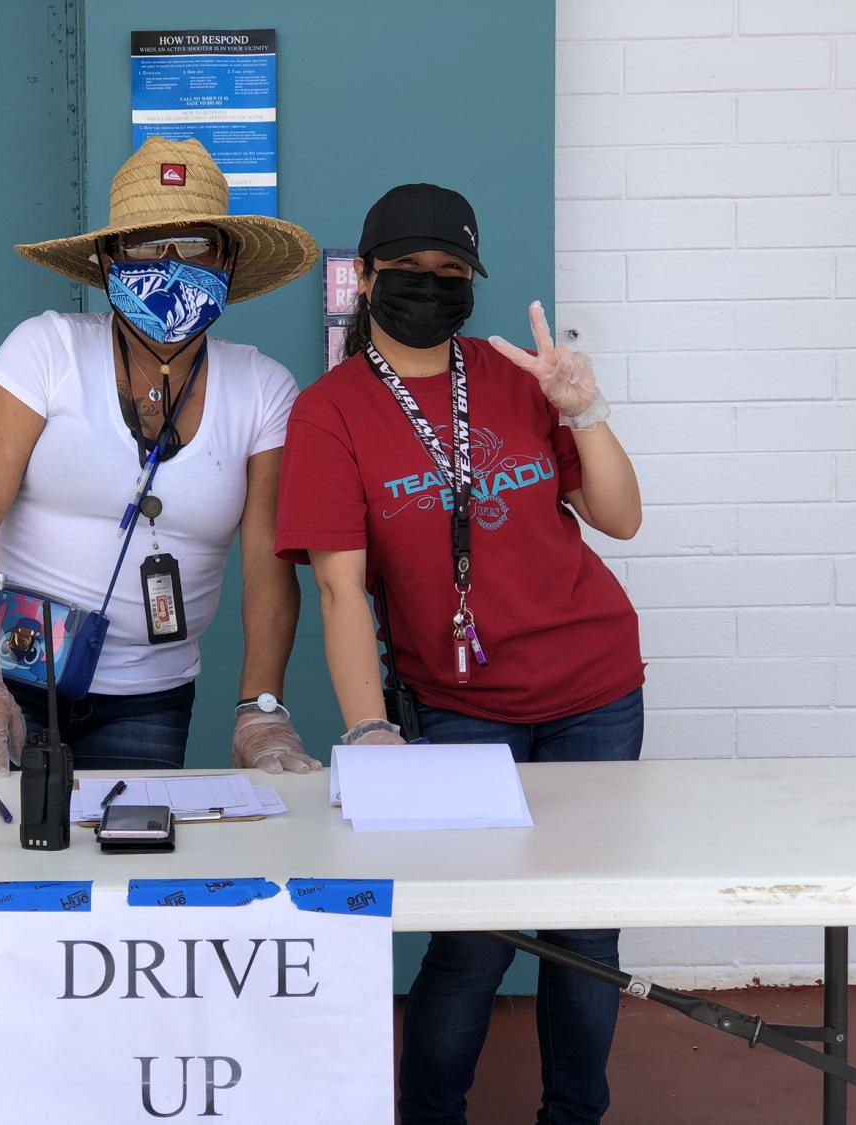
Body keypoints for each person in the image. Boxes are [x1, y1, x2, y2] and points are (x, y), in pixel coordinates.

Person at [274, 183, 645, 1124]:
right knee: (472, 936)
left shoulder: (519, 374)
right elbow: (339, 588)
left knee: (585, 929)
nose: (432, 288)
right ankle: (430, 1114)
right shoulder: (331, 412)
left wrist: (587, 408)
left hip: (594, 687)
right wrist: (369, 727)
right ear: (368, 279)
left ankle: (576, 1115)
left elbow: (620, 518)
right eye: (411, 272)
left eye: (452, 273)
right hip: (461, 701)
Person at [0, 137, 322, 778]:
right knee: (6, 857)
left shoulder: (263, 387)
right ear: (108, 260)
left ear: (226, 260)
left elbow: (268, 568)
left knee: (130, 859)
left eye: (195, 244)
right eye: (144, 245)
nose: (169, 265)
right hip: (16, 674)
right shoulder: (45, 350)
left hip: (152, 697)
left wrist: (261, 709)